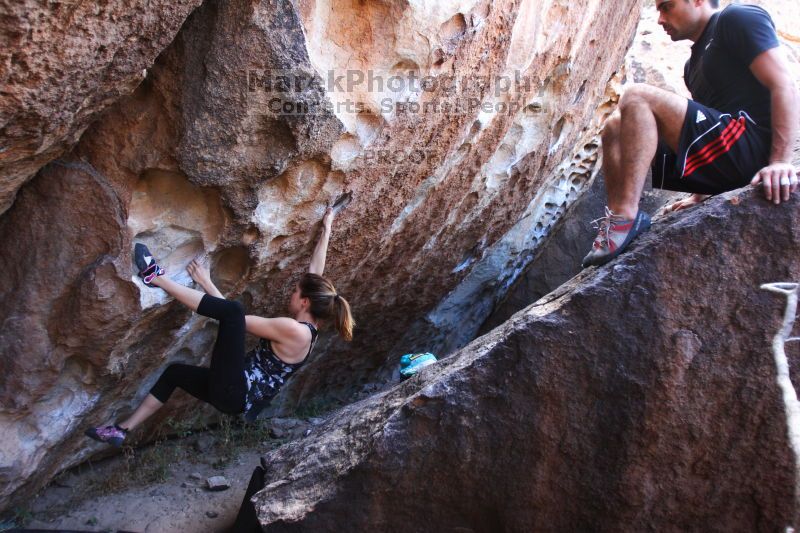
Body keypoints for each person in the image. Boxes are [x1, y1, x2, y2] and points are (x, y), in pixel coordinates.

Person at [85, 208, 354, 447]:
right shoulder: (309, 329)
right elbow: (315, 274)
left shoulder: (293, 330)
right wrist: (327, 226)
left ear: (305, 302)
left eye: (295, 292)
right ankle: (120, 430)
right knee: (175, 373)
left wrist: (207, 282)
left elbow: (233, 319)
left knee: (234, 311)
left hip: (234, 391)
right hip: (231, 394)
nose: (290, 295)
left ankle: (156, 277)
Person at [582, 0, 798, 268]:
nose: (660, 19)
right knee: (615, 126)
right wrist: (700, 193)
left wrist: (780, 162)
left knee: (637, 95)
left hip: (752, 148)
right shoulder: (691, 66)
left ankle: (628, 214)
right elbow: (706, 125)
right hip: (729, 158)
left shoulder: (737, 17)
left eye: (667, 6)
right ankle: (617, 220)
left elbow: (784, 84)